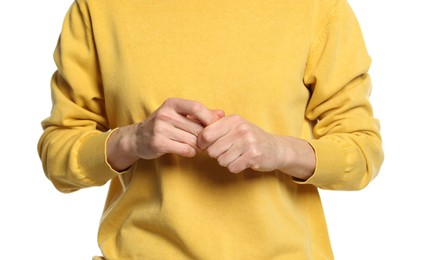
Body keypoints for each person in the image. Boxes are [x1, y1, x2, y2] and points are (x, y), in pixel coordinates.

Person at [38, 0, 384, 259]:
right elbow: (58, 158)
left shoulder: (316, 8)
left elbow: (362, 152)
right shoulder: (98, 8)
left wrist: (280, 150)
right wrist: (132, 140)